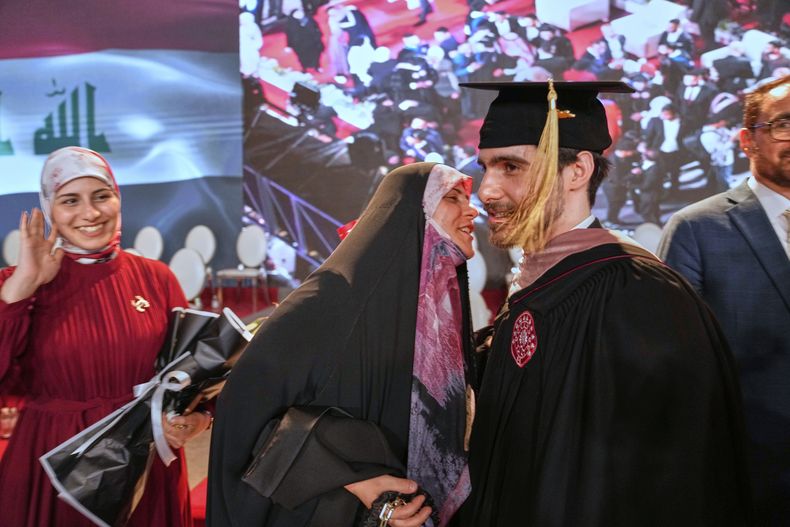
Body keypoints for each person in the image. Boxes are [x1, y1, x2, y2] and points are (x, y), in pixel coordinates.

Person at [456, 80, 753, 525]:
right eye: (486, 169)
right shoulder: (539, 282)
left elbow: (673, 476)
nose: (487, 191)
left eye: (511, 167)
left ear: (577, 170)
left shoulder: (639, 293)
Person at [208, 163, 480, 527]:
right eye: (452, 198)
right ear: (410, 213)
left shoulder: (432, 313)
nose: (472, 210)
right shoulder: (332, 298)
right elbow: (245, 411)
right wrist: (354, 479)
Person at [0, 146, 210, 527]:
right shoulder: (17, 284)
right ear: (49, 208)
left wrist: (197, 419)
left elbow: (194, 372)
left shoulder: (156, 278)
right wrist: (21, 288)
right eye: (70, 200)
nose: (91, 213)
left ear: (118, 198)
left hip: (142, 458)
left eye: (101, 196)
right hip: (53, 462)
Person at [658, 75, 790, 525]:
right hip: (746, 475)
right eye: (783, 125)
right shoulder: (697, 228)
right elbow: (674, 361)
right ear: (747, 140)